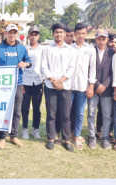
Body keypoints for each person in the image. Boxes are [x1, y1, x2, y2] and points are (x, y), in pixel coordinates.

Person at [0, 24, 31, 150]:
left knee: (16, 111)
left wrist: (25, 64)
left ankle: (13, 136)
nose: (12, 35)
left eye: (14, 32)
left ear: (17, 34)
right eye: (10, 32)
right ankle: (2, 136)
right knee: (3, 110)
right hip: (3, 85)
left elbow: (29, 62)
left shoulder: (22, 48)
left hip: (18, 84)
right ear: (6, 33)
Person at [41, 23, 75, 152]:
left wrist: (61, 80)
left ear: (65, 33)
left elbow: (72, 68)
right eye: (56, 32)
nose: (59, 34)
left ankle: (66, 140)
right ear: (53, 34)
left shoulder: (70, 50)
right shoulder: (47, 49)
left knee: (65, 114)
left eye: (61, 32)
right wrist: (54, 81)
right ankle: (51, 138)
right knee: (51, 113)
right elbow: (44, 67)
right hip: (50, 86)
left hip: (65, 86)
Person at [86, 29, 115, 149]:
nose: (101, 41)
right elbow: (88, 69)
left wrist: (105, 85)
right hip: (93, 87)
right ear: (95, 39)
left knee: (107, 114)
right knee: (91, 113)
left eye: (104, 39)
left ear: (107, 40)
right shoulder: (90, 51)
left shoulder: (112, 53)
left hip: (106, 89)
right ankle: (92, 136)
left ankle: (105, 137)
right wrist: (97, 84)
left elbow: (113, 72)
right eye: (99, 38)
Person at [70, 23, 96, 150]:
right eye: (78, 33)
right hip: (69, 86)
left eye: (83, 33)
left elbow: (92, 69)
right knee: (67, 112)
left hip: (82, 86)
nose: (81, 36)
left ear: (86, 34)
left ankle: (76, 136)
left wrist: (91, 86)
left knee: (80, 113)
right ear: (75, 34)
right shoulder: (69, 48)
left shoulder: (90, 49)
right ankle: (66, 135)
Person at [21, 26, 43, 140]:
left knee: (37, 107)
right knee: (24, 107)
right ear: (28, 36)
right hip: (26, 82)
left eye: (36, 35)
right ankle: (25, 129)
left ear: (38, 36)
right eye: (32, 35)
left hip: (38, 81)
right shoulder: (24, 49)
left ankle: (36, 129)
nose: (33, 37)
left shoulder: (43, 50)